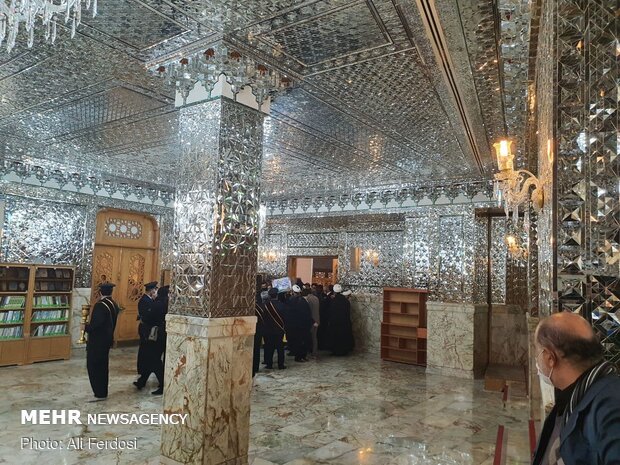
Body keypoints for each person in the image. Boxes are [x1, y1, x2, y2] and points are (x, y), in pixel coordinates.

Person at [532, 312, 620, 465]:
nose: (536, 359)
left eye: (537, 350)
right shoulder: (576, 394)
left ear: (549, 358)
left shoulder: (610, 405)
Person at [85, 282, 120, 400]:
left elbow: (96, 325)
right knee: (103, 367)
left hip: (97, 342)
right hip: (107, 340)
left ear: (100, 292)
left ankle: (99, 392)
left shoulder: (100, 306)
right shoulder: (113, 304)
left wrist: (85, 327)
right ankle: (103, 391)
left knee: (95, 366)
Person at [134, 281, 165, 395]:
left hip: (153, 333)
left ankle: (142, 381)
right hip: (148, 333)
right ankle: (144, 381)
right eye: (154, 290)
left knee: (150, 358)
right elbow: (146, 316)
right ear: (151, 290)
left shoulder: (154, 301)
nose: (155, 292)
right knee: (151, 358)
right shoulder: (144, 300)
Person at [286, 285, 313, 362]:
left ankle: (298, 357)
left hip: (296, 326)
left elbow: (289, 313)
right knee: (303, 341)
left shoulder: (291, 301)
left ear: (293, 292)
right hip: (304, 325)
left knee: (298, 342)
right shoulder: (303, 301)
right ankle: (303, 356)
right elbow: (308, 313)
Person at [262, 287, 287, 369]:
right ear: (277, 295)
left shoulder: (266, 305)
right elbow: (285, 318)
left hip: (268, 330)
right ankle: (281, 364)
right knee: (280, 348)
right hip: (279, 330)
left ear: (270, 296)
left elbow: (263, 318)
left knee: (269, 347)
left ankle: (269, 364)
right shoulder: (282, 305)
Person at [327, 284, 354, 356]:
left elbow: (330, 312)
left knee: (335, 337)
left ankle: (335, 351)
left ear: (334, 291)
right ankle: (343, 351)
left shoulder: (333, 301)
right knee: (343, 337)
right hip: (344, 323)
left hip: (335, 323)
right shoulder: (346, 301)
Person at [303, 287, 320, 356]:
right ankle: (314, 352)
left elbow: (308, 311)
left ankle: (307, 351)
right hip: (317, 320)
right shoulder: (316, 298)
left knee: (308, 337)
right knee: (314, 337)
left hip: (311, 321)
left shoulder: (308, 299)